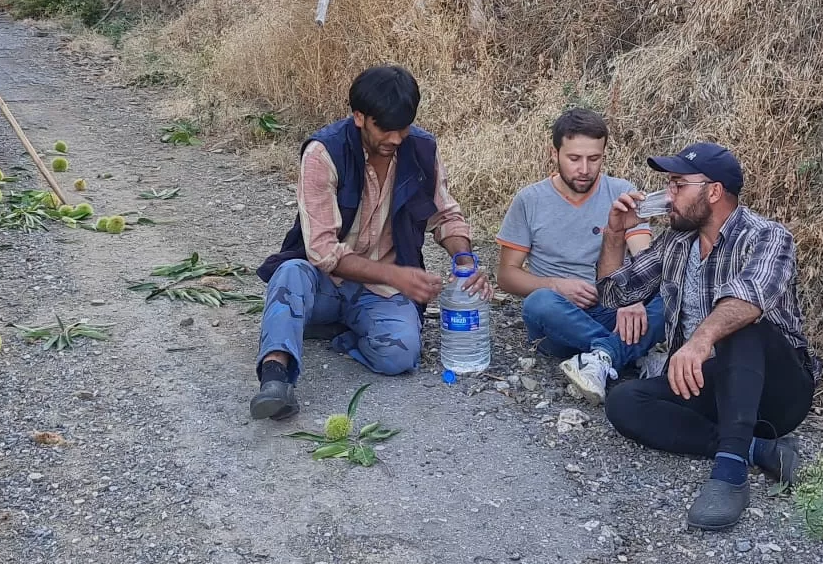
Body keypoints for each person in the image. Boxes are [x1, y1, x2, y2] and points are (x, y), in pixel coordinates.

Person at [594, 143, 822, 531]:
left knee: (739, 324)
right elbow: (614, 294)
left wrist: (699, 341)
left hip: (776, 390)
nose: (668, 196)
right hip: (711, 385)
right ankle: (756, 448)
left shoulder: (768, 236)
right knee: (623, 401)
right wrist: (616, 234)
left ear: (713, 192)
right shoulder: (675, 243)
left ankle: (730, 473)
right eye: (669, 184)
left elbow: (751, 297)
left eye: (678, 185)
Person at [251, 65, 488, 420]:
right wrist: (396, 276)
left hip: (380, 293)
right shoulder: (323, 153)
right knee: (290, 274)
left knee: (401, 356)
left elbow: (446, 216)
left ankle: (339, 329)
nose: (396, 138)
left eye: (403, 128)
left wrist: (464, 260)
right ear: (359, 117)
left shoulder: (421, 150)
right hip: (324, 283)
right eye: (386, 129)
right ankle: (275, 376)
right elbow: (323, 251)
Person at [494, 108, 666, 400]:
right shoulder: (530, 200)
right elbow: (507, 275)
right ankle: (627, 352)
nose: (584, 169)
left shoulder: (621, 192)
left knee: (670, 294)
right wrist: (556, 285)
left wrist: (634, 296)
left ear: (604, 155)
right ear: (555, 153)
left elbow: (643, 254)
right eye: (574, 158)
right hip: (560, 318)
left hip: (614, 308)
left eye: (593, 158)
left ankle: (602, 358)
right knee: (539, 303)